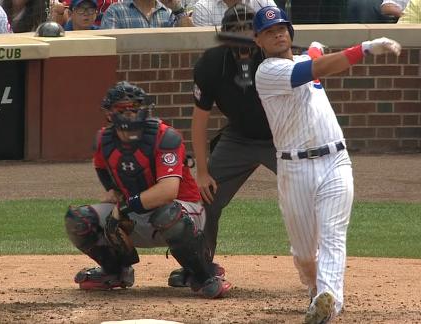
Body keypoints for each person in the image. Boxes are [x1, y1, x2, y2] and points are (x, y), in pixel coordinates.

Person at [252, 6, 401, 324]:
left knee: (333, 234)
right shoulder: (267, 73)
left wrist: (317, 45)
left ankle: (327, 302)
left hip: (336, 161)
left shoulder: (304, 62)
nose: (277, 33)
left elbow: (313, 57)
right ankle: (315, 287)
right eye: (268, 31)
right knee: (305, 255)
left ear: (289, 32)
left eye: (281, 28)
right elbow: (316, 65)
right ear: (259, 41)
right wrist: (363, 48)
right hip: (294, 170)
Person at [64, 81, 231, 299]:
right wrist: (113, 197)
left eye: (135, 108)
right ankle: (115, 271)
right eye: (122, 109)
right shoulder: (103, 141)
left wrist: (123, 206)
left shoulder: (165, 137)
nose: (130, 114)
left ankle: (203, 274)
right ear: (109, 113)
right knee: (79, 219)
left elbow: (168, 191)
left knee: (167, 213)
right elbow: (104, 173)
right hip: (136, 215)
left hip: (184, 213)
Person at [167, 3, 277, 288]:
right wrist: (202, 172)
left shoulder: (276, 57)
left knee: (308, 195)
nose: (241, 36)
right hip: (238, 137)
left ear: (258, 34)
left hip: (281, 137)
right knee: (207, 198)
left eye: (248, 29)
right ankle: (200, 266)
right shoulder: (211, 63)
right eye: (234, 30)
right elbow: (200, 121)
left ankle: (320, 272)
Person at [100, 0, 194, 28]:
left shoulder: (168, 12)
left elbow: (190, 39)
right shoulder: (115, 11)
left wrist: (177, 9)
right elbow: (108, 51)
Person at [191, 0, 275, 26]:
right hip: (222, 59)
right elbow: (206, 46)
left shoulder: (264, 2)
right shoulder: (203, 7)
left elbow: (276, 32)